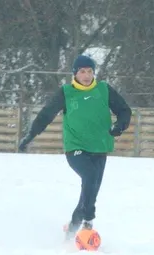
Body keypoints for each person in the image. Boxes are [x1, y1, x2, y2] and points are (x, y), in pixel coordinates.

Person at [18, 54, 132, 239]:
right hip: (76, 147)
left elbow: (124, 110)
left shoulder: (104, 90)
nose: (86, 75)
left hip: (100, 147)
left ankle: (72, 230)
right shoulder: (66, 93)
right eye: (82, 71)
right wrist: (30, 135)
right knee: (90, 176)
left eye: (89, 71)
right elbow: (46, 114)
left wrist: (120, 126)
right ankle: (88, 221)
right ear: (75, 74)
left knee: (90, 189)